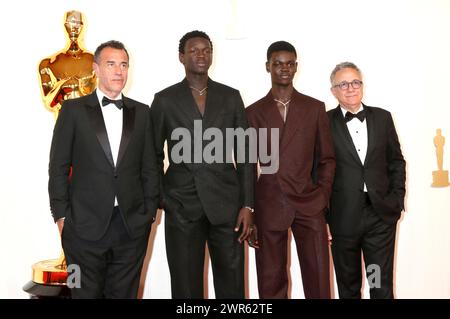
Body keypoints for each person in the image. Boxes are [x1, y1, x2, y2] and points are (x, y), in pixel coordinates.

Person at [48, 40, 159, 298]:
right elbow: (58, 167)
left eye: (123, 65)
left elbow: (150, 168)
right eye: (111, 64)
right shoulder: (72, 111)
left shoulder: (142, 113)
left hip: (131, 228)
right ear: (96, 68)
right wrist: (61, 217)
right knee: (81, 294)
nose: (118, 71)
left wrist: (148, 214)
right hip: (81, 229)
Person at [150, 30, 255, 298]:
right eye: (194, 50)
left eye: (206, 50)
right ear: (181, 57)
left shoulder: (231, 97)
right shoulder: (164, 100)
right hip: (182, 207)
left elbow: (245, 155)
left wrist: (247, 205)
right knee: (186, 289)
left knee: (232, 287)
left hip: (228, 208)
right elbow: (152, 155)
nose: (201, 55)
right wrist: (163, 198)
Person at [245, 41, 336, 299]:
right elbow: (248, 167)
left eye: (289, 63)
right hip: (269, 203)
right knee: (270, 281)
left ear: (296, 66)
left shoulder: (314, 108)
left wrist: (322, 197)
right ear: (267, 67)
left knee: (318, 280)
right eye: (277, 64)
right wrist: (250, 209)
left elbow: (327, 159)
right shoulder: (252, 113)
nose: (284, 68)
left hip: (309, 203)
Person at [327, 62, 406, 299]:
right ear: (333, 91)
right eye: (343, 84)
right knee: (349, 287)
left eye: (355, 82)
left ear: (362, 85)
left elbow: (396, 162)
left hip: (379, 218)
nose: (350, 88)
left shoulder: (382, 118)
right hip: (343, 219)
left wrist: (396, 199)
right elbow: (317, 171)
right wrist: (323, 218)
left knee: (379, 284)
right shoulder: (323, 122)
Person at [39, 10, 96, 118]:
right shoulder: (47, 64)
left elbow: (102, 100)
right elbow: (49, 103)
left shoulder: (96, 62)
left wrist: (79, 88)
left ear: (84, 27)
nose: (74, 27)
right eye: (69, 23)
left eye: (79, 23)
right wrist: (63, 86)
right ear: (64, 26)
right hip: (63, 126)